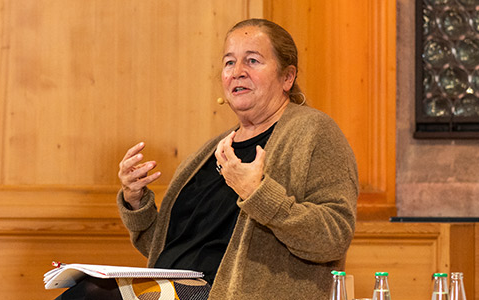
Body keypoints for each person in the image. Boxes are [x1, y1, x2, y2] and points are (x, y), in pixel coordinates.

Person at [56, 18, 358, 300]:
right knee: (87, 289)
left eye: (252, 60)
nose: (237, 71)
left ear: (287, 77)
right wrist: (136, 202)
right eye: (229, 62)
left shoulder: (314, 131)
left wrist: (257, 194)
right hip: (175, 284)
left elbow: (332, 237)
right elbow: (169, 249)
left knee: (94, 294)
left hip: (227, 292)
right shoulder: (212, 151)